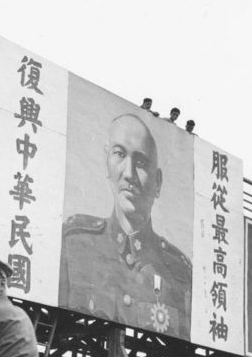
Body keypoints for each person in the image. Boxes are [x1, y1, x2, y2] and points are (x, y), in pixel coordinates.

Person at [59, 114, 192, 338]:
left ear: (157, 182)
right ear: (106, 164)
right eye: (119, 154)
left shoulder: (179, 272)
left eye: (141, 162)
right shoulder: (73, 244)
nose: (129, 174)